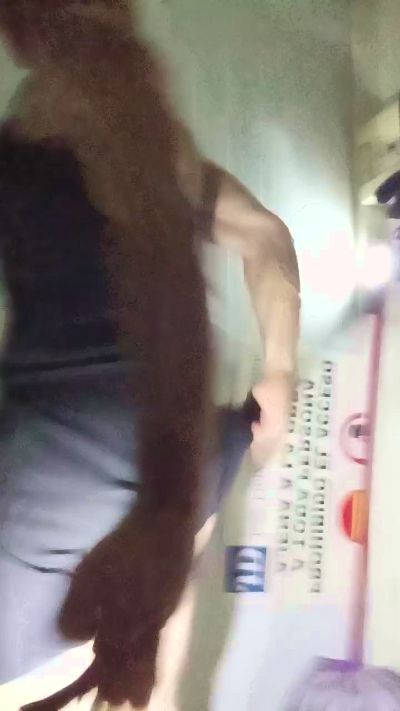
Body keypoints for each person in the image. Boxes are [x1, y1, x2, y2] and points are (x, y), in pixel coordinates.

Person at [0, 8, 300, 705]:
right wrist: (280, 371)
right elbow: (264, 235)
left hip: (67, 469)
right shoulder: (166, 163)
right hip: (167, 460)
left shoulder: (28, 160)